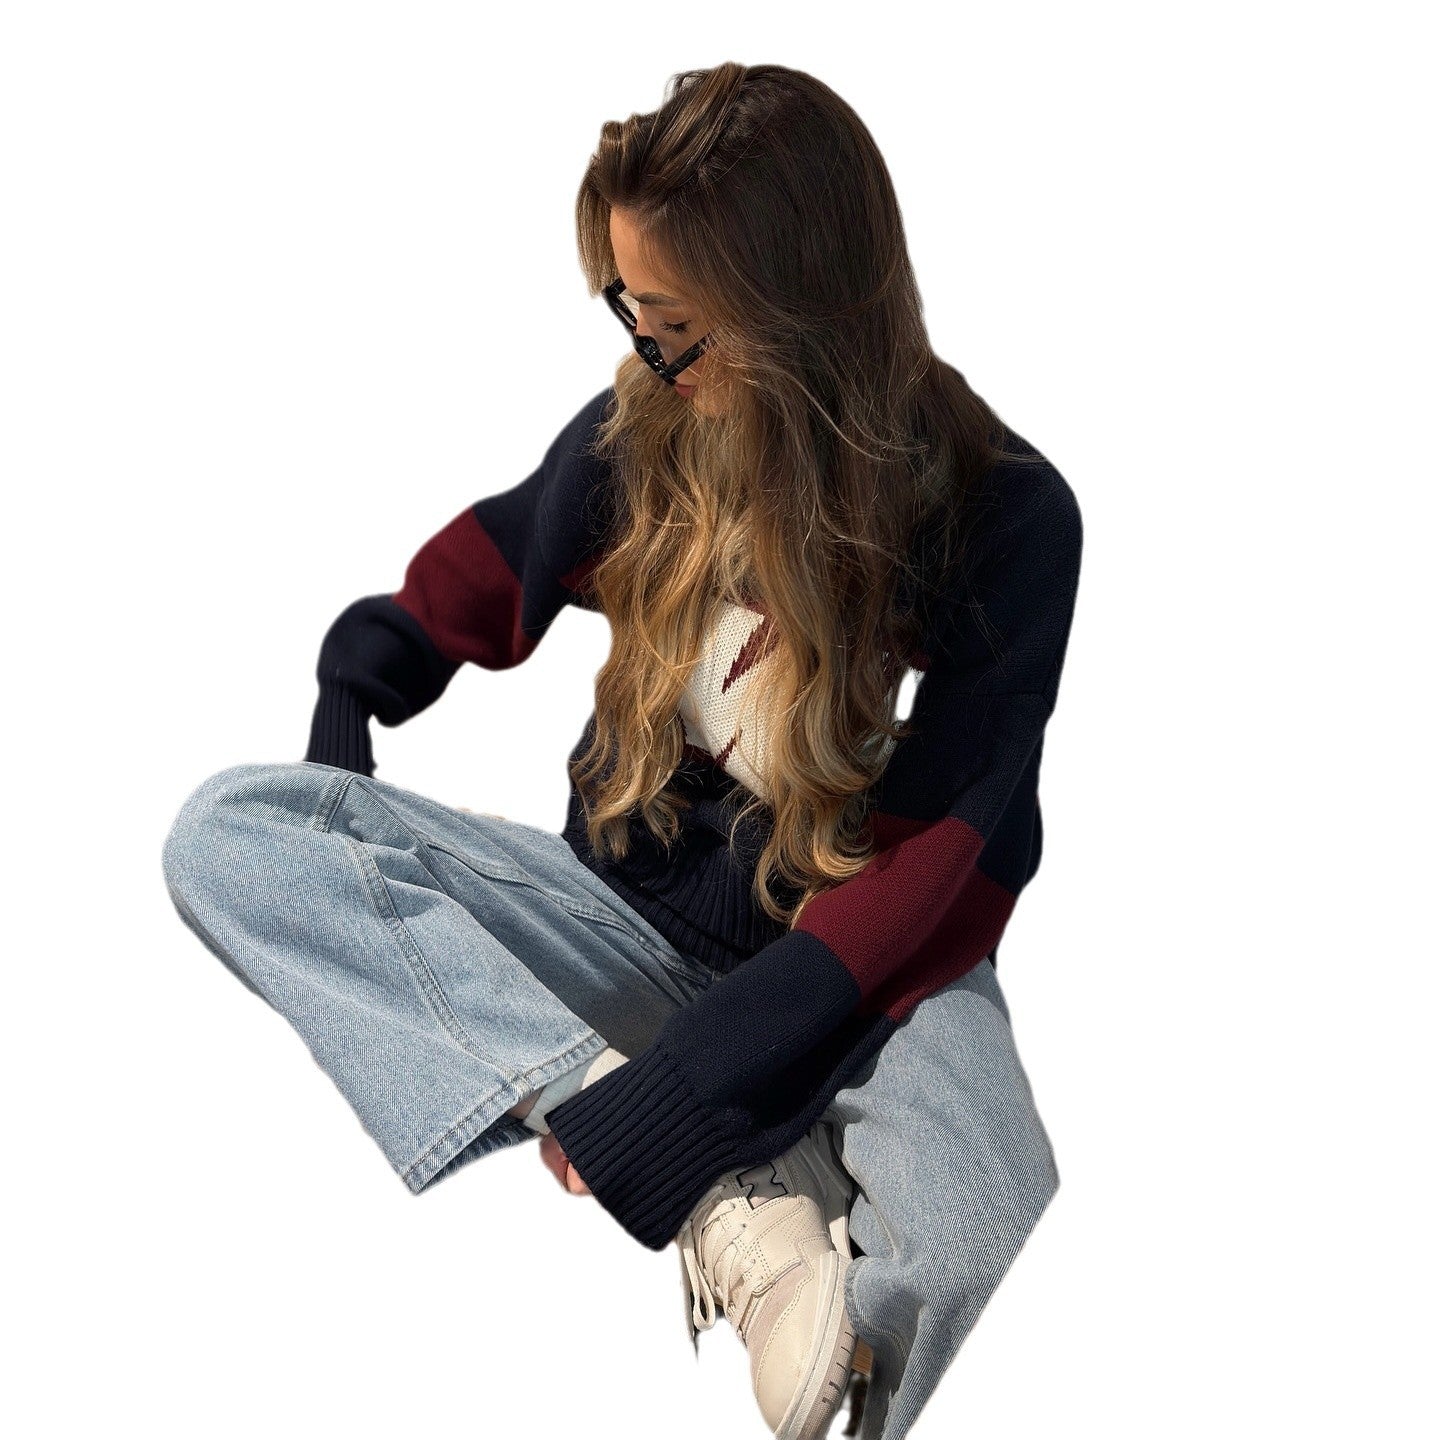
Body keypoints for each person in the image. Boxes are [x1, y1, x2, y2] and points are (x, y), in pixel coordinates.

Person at [161, 61, 1083, 1440]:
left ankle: (778, 1251)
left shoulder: (1008, 521)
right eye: (629, 314)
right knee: (230, 833)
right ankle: (690, 1167)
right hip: (625, 916)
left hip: (874, 958)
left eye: (680, 328)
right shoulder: (646, 428)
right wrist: (358, 688)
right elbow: (492, 562)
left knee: (978, 1209)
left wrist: (710, 1077)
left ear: (801, 311)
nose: (650, 356)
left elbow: (925, 875)